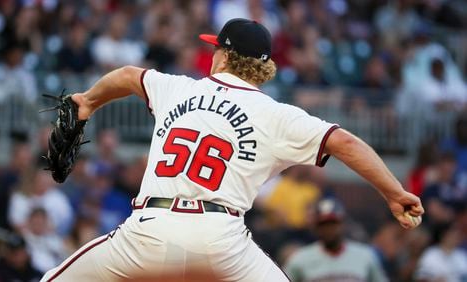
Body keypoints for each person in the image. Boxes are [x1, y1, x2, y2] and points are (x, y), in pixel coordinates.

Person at [43, 18, 423, 281]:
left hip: (147, 233)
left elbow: (127, 76)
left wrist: (88, 101)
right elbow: (344, 141)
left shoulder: (180, 88)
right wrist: (394, 193)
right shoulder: (276, 115)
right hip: (221, 242)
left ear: (223, 55)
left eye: (215, 49)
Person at [284, 198, 388, 282]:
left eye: (333, 223)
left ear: (343, 224)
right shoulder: (300, 259)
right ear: (315, 227)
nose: (328, 229)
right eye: (323, 225)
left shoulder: (365, 256)